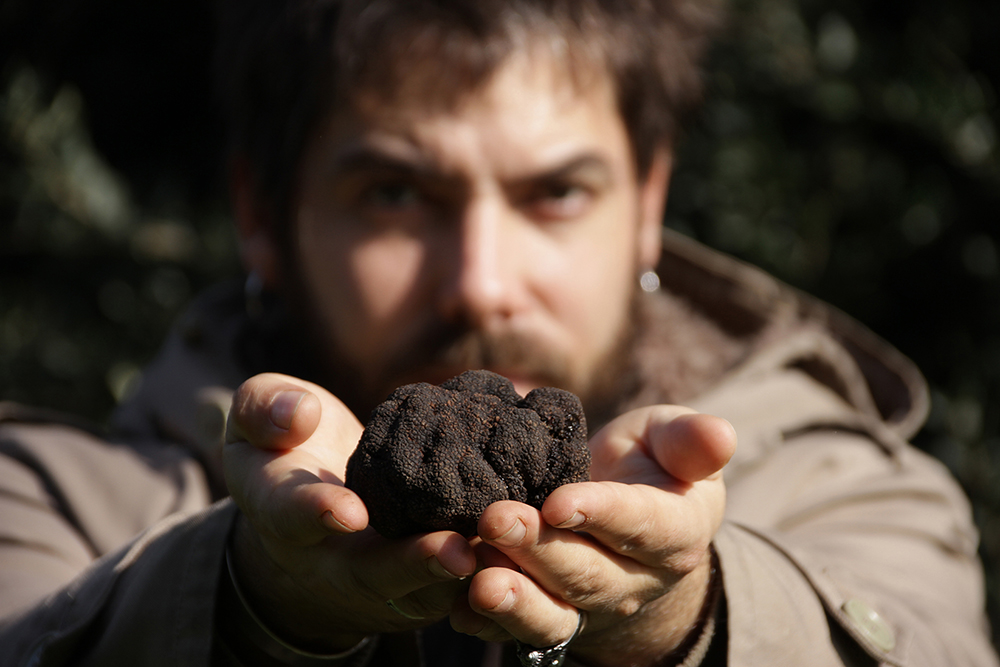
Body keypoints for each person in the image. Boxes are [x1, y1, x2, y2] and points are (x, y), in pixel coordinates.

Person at [0, 0, 997, 665]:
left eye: (554, 192)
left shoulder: (851, 487)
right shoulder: (47, 498)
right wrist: (247, 597)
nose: (480, 285)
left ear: (648, 201)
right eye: (394, 193)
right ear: (261, 210)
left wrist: (688, 617)